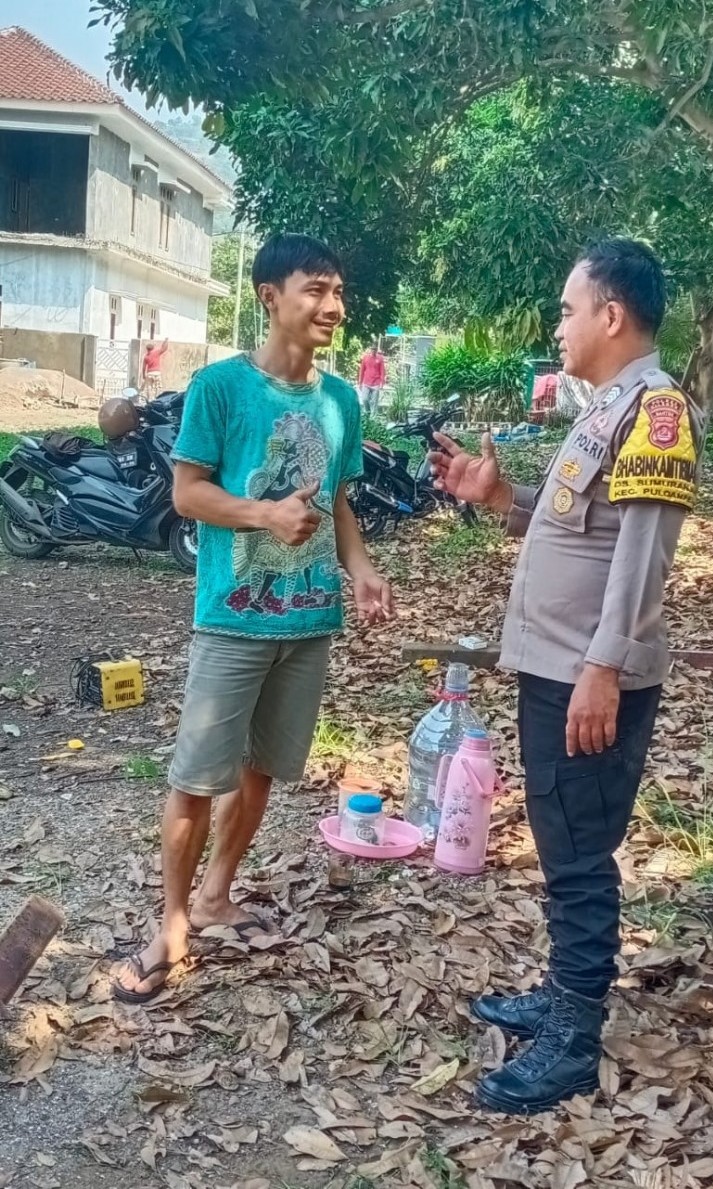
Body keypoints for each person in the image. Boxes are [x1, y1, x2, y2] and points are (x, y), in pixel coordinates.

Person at [430, 238, 705, 1114]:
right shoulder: (605, 409)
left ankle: (574, 1040)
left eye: (566, 309)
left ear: (610, 315)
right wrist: (497, 498)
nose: (558, 326)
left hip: (587, 672)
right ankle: (562, 992)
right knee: (561, 840)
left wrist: (602, 667)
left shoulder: (656, 410)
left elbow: (641, 554)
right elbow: (579, 529)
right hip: (558, 666)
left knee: (579, 853)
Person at [113, 233, 393, 1003]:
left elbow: (337, 503)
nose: (333, 306)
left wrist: (362, 569)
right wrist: (263, 514)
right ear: (270, 297)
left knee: (261, 766)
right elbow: (187, 493)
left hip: (307, 620)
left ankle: (215, 894)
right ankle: (171, 925)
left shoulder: (340, 401)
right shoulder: (219, 388)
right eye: (316, 290)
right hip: (232, 618)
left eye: (338, 292)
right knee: (195, 777)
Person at [358, 341, 386, 415]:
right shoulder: (365, 358)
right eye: (372, 349)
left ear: (376, 350)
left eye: (375, 349)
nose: (373, 350)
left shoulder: (380, 358)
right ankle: (368, 413)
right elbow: (361, 370)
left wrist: (382, 383)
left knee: (374, 402)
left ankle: (373, 417)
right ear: (370, 349)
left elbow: (382, 371)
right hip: (366, 382)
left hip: (376, 383)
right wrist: (360, 382)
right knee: (364, 399)